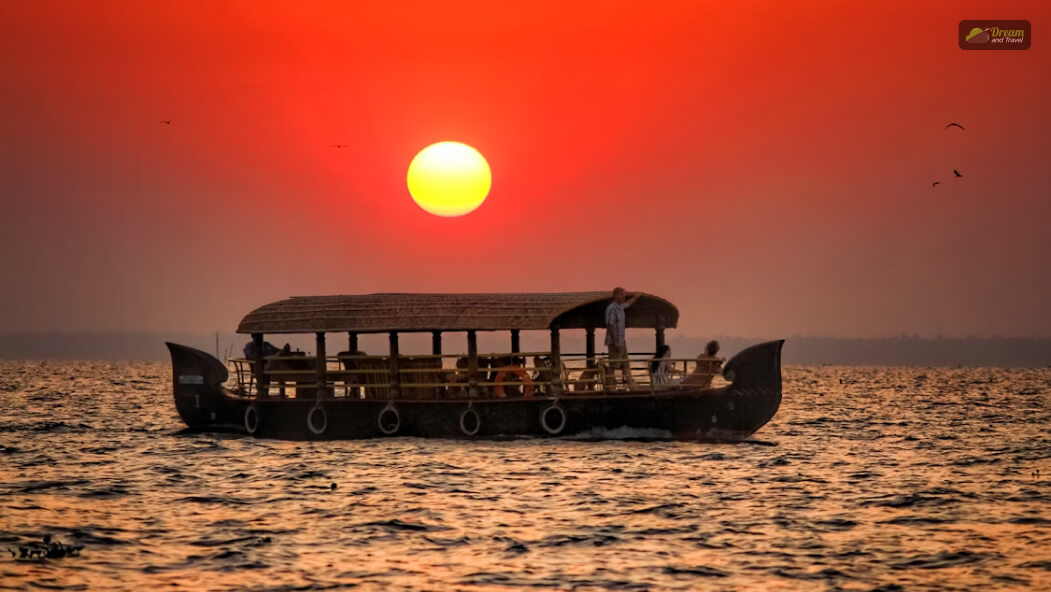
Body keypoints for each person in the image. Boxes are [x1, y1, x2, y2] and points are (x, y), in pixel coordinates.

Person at [605, 287, 641, 388]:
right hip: (614, 342)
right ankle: (611, 386)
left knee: (625, 363)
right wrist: (615, 341)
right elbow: (610, 325)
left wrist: (636, 297)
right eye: (621, 295)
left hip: (622, 341)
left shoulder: (620, 307)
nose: (623, 297)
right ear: (615, 296)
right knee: (613, 365)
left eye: (624, 295)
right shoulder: (611, 308)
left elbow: (628, 304)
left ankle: (631, 384)